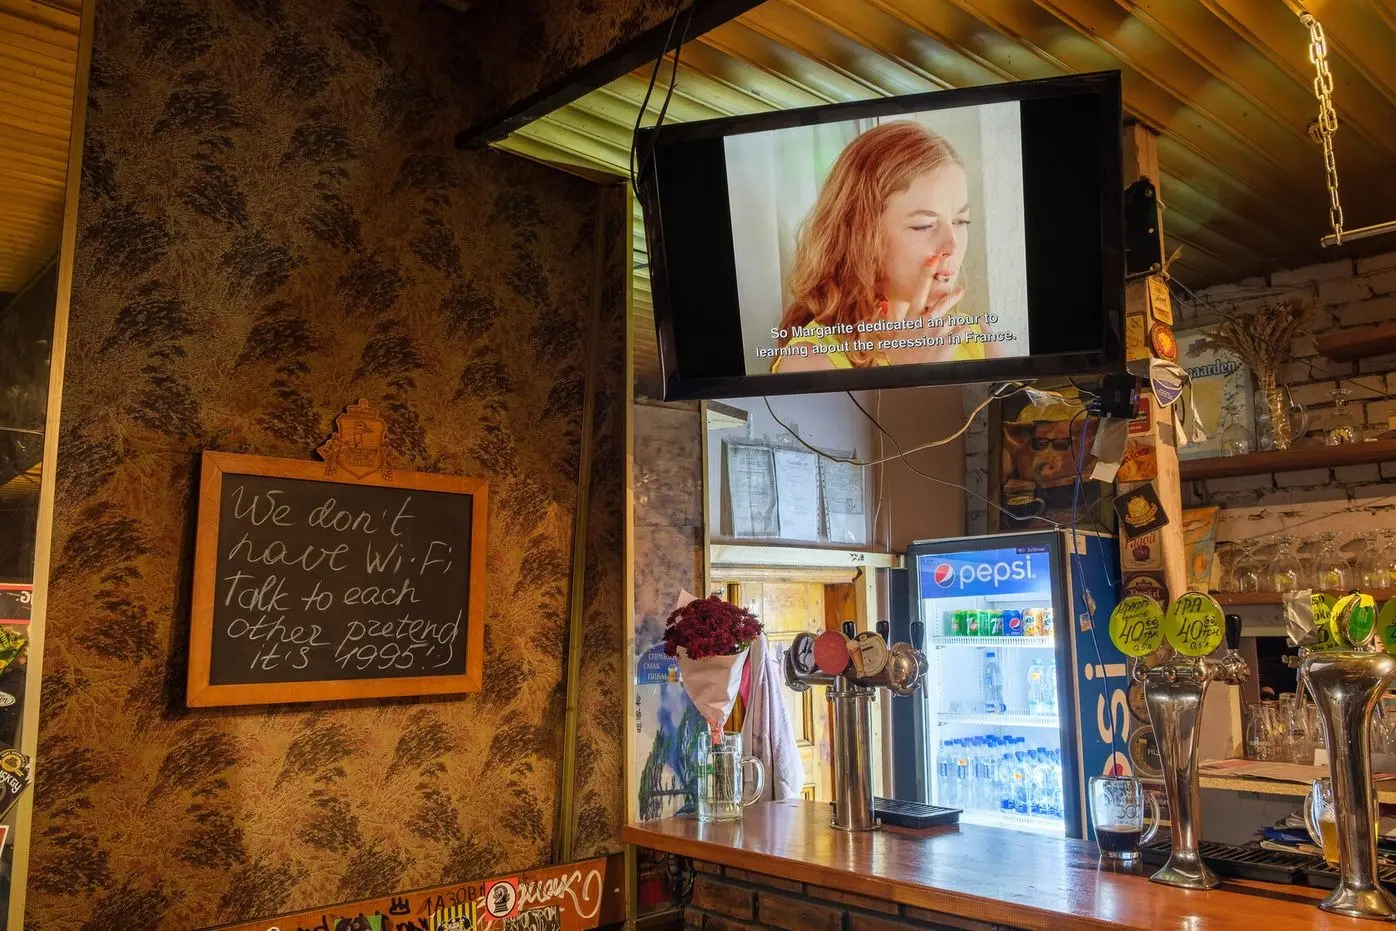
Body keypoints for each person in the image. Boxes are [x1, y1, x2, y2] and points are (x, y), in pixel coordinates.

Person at [772, 120, 989, 372]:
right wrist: (909, 377)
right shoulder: (808, 360)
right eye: (924, 225)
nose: (952, 245)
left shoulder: (977, 337)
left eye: (961, 221)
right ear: (861, 236)